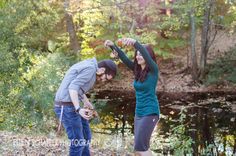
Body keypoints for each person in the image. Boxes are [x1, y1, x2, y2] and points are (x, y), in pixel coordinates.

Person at [105, 38, 160, 156]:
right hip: (139, 113)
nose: (138, 56)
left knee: (141, 147)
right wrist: (112, 46)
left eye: (141, 54)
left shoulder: (153, 70)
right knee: (139, 147)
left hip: (150, 112)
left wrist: (135, 43)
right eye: (137, 54)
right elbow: (124, 58)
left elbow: (146, 55)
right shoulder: (138, 71)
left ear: (148, 56)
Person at [54, 58, 117, 156]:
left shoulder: (91, 67)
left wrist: (86, 102)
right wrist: (78, 109)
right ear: (103, 70)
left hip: (71, 105)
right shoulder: (90, 69)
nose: (103, 80)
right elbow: (73, 87)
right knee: (78, 142)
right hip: (66, 107)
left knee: (86, 137)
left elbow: (78, 88)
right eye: (105, 78)